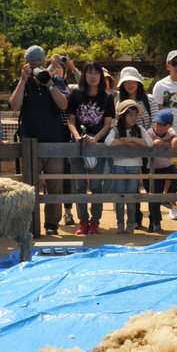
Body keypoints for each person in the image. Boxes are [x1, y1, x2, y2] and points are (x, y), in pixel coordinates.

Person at [11, 45, 70, 234]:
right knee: (29, 186)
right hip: (29, 142)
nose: (36, 68)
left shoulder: (56, 80)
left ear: (45, 64)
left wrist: (50, 84)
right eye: (32, 64)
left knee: (55, 186)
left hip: (54, 141)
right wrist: (23, 79)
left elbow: (64, 105)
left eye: (39, 64)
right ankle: (29, 224)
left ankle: (52, 224)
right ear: (26, 65)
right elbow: (14, 106)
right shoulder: (22, 82)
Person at [67, 61, 115, 235]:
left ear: (101, 76)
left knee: (96, 185)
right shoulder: (75, 95)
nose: (93, 76)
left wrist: (96, 138)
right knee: (79, 184)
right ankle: (83, 222)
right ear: (84, 75)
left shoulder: (108, 97)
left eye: (96, 73)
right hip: (78, 144)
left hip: (98, 145)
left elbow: (108, 124)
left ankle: (95, 221)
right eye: (89, 73)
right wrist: (77, 136)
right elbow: (71, 120)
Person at [117, 66, 156, 230]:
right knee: (132, 186)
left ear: (139, 82)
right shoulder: (119, 102)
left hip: (146, 148)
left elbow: (155, 122)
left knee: (149, 184)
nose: (130, 85)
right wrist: (127, 139)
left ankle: (154, 220)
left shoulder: (150, 100)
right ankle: (135, 219)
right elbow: (116, 123)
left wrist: (140, 138)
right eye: (126, 82)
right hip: (127, 150)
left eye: (133, 81)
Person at [106, 99, 150, 234]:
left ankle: (130, 224)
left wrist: (132, 139)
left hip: (135, 166)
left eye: (135, 115)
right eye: (130, 114)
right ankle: (120, 223)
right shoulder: (116, 129)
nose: (133, 118)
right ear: (123, 115)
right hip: (119, 166)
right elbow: (108, 142)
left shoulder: (140, 130)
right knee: (120, 197)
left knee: (131, 198)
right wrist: (122, 142)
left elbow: (150, 143)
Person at [144, 109, 177, 233]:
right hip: (154, 169)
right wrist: (153, 143)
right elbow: (147, 142)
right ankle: (155, 223)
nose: (159, 127)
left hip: (167, 165)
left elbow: (175, 136)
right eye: (157, 124)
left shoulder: (170, 131)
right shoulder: (150, 132)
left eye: (162, 125)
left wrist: (175, 139)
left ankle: (167, 197)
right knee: (155, 195)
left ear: (169, 125)